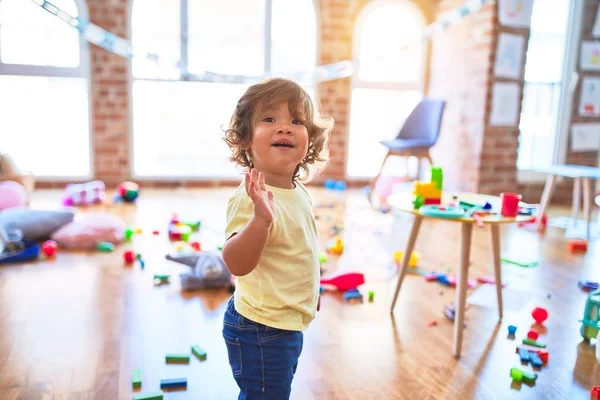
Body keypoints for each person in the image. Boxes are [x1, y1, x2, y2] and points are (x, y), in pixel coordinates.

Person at [221, 77, 334, 399]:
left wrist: (310, 291)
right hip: (260, 328)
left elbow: (299, 251)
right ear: (245, 138)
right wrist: (259, 221)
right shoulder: (251, 198)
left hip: (284, 322)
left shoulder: (296, 190)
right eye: (269, 119)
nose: (284, 127)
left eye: (296, 121)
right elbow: (236, 263)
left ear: (309, 139)